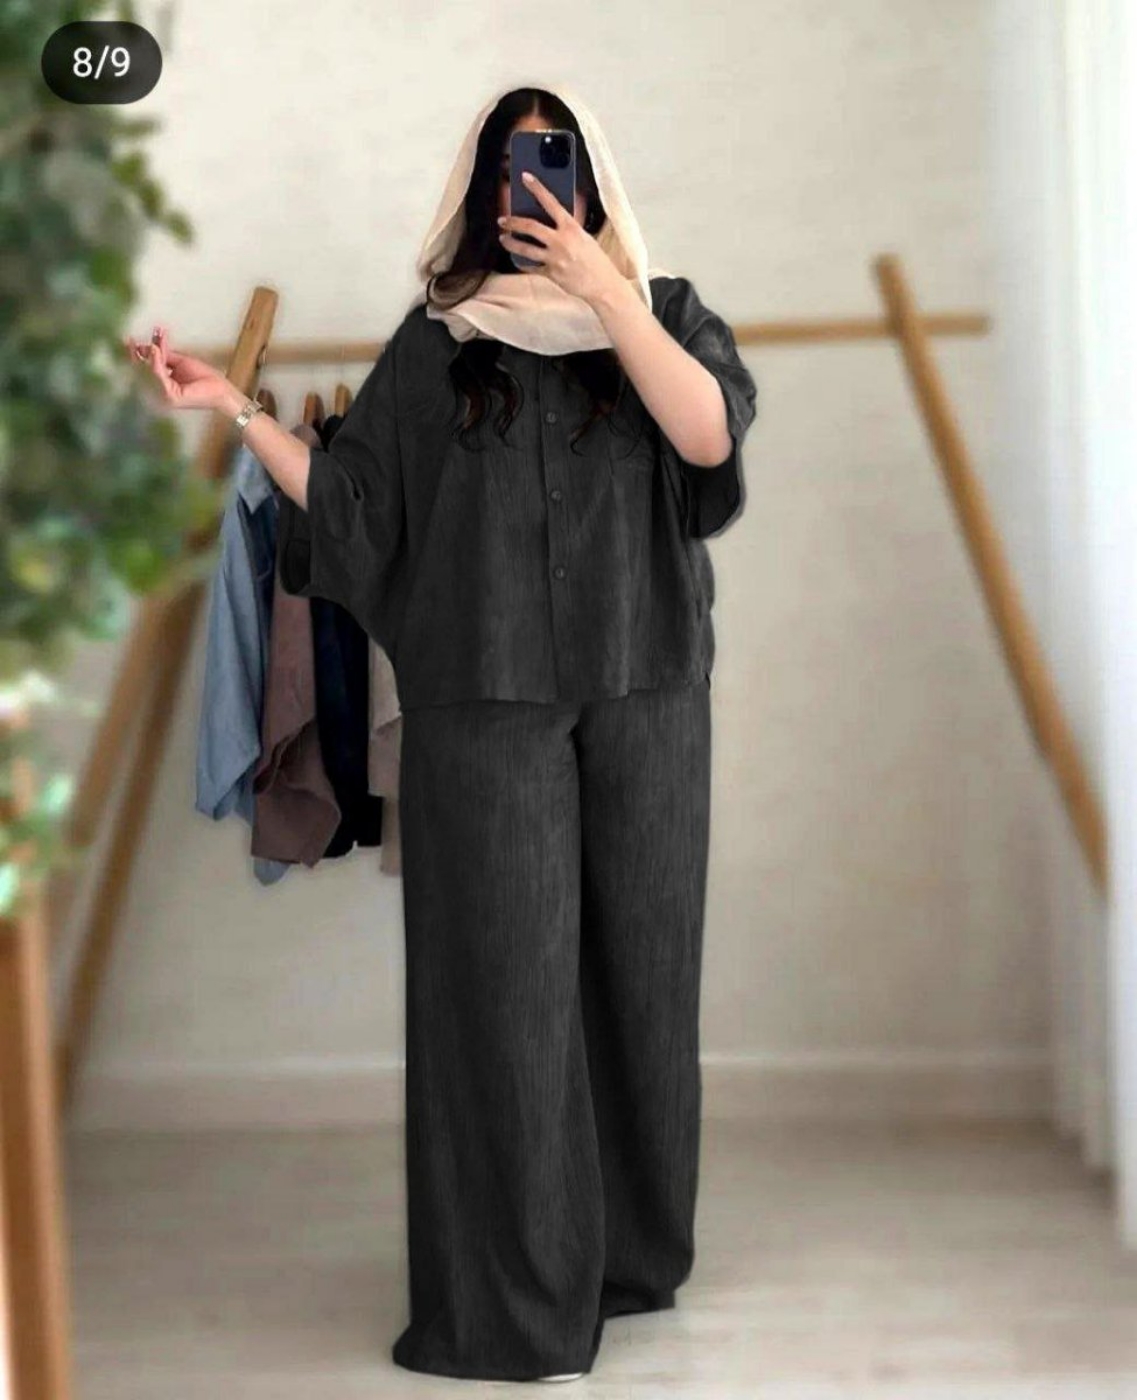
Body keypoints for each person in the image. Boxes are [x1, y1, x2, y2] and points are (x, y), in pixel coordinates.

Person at [126, 80, 757, 1386]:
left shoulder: (665, 312)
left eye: (556, 160)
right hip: (482, 703)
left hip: (648, 687)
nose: (534, 186)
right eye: (510, 165)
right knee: (500, 997)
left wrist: (605, 294)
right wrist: (235, 409)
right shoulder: (436, 344)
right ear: (480, 188)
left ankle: (628, 1259)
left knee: (642, 979)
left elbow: (705, 441)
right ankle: (518, 1309)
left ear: (591, 181)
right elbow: (354, 508)